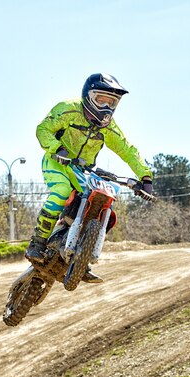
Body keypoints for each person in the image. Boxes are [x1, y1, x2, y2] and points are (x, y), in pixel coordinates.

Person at [25, 73, 154, 282]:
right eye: (101, 100)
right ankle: (37, 243)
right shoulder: (68, 109)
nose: (106, 107)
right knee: (62, 192)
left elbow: (128, 150)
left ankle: (80, 259)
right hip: (57, 160)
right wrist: (57, 148)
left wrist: (145, 177)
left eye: (111, 102)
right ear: (88, 95)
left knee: (104, 205)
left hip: (83, 170)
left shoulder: (109, 127)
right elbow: (43, 129)